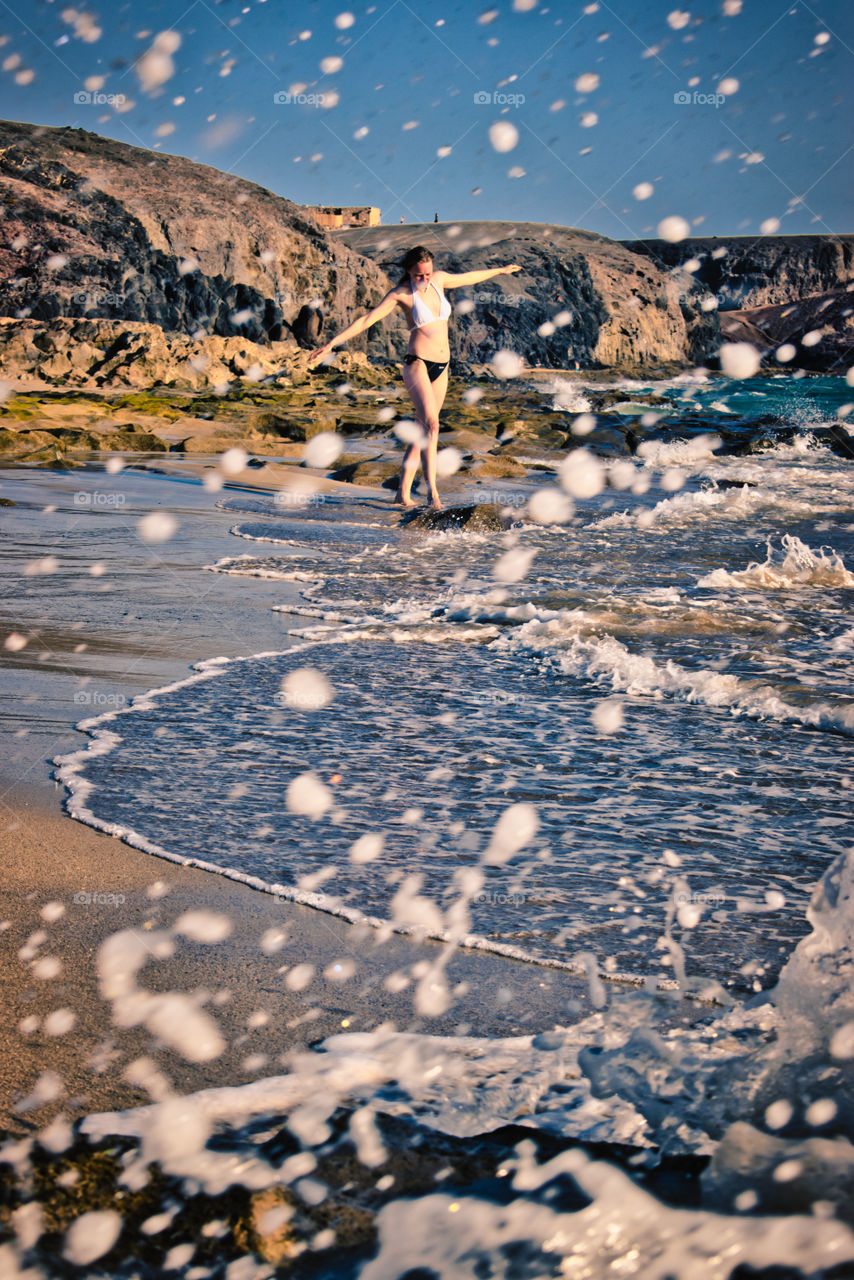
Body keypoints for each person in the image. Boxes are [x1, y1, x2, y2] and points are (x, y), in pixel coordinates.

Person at [308, 247, 521, 508]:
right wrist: (331, 344)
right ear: (409, 272)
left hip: (442, 366)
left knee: (422, 429)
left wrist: (500, 270)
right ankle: (433, 494)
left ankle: (402, 494)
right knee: (432, 426)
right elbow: (367, 320)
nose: (425, 279)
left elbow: (468, 277)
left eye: (428, 274)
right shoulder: (402, 294)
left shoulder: (439, 280)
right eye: (419, 275)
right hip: (417, 364)